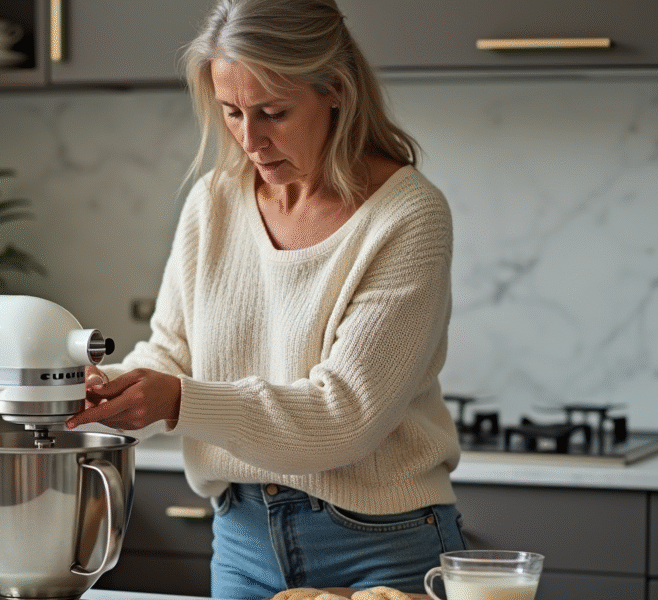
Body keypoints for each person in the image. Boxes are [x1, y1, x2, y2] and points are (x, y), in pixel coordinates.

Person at [64, 0, 466, 597]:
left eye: (273, 112)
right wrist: (96, 391)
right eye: (230, 112)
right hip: (243, 540)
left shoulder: (408, 216)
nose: (250, 139)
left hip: (380, 545)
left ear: (335, 90)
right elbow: (172, 355)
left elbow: (345, 417)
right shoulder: (215, 200)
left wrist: (174, 400)